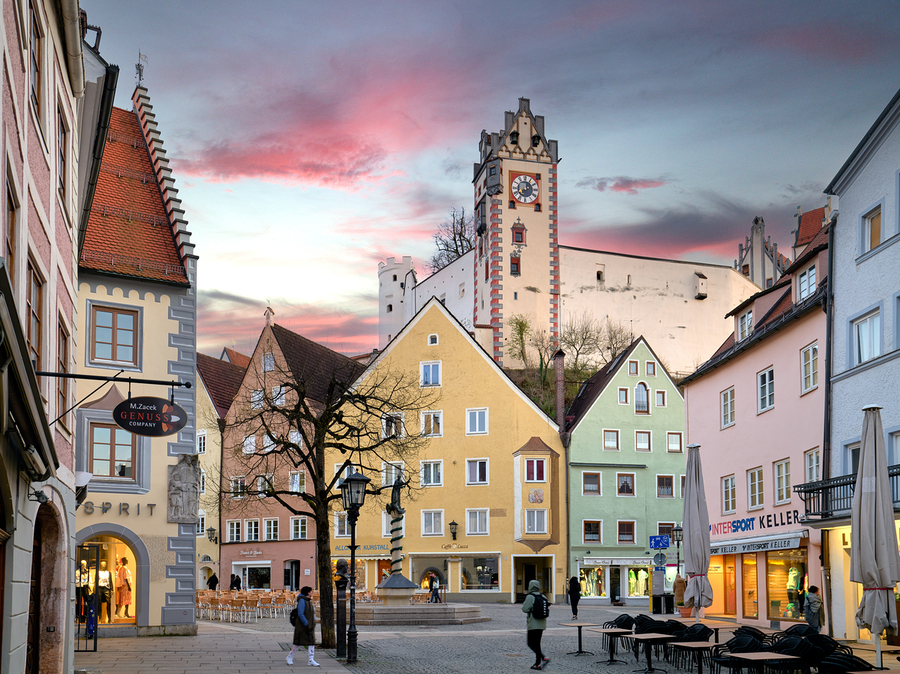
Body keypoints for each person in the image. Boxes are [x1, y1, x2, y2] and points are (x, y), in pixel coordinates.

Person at [287, 586, 319, 667]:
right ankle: (290, 656)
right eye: (311, 591)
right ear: (308, 593)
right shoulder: (302, 601)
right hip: (303, 625)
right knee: (298, 642)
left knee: (311, 642)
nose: (312, 593)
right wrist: (306, 623)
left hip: (309, 625)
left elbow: (310, 613)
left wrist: (313, 621)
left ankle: (311, 659)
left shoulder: (308, 600)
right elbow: (300, 614)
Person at [522, 579, 550, 671]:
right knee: (537, 644)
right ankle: (537, 664)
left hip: (533, 624)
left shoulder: (530, 597)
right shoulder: (543, 596)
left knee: (530, 643)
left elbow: (525, 609)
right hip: (541, 624)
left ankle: (543, 657)